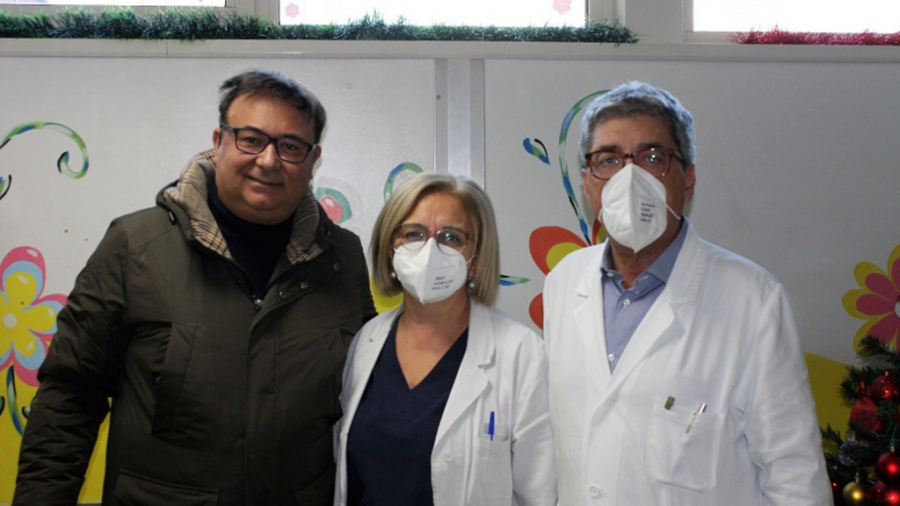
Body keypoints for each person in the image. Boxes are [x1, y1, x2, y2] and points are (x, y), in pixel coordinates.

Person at [15, 70, 376, 505]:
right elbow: (70, 397)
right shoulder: (135, 247)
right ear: (219, 141)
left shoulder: (342, 259)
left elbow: (370, 399)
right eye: (250, 139)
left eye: (290, 146)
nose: (268, 160)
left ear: (313, 158)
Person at [542, 82, 831, 505]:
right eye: (609, 160)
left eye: (652, 157)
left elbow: (794, 477)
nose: (629, 179)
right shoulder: (564, 282)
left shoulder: (753, 300)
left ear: (688, 178)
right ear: (588, 183)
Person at [333, 173, 556, 506]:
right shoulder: (366, 342)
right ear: (390, 249)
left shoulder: (522, 354)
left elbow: (539, 494)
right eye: (413, 233)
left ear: (475, 260)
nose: (430, 250)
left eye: (451, 237)